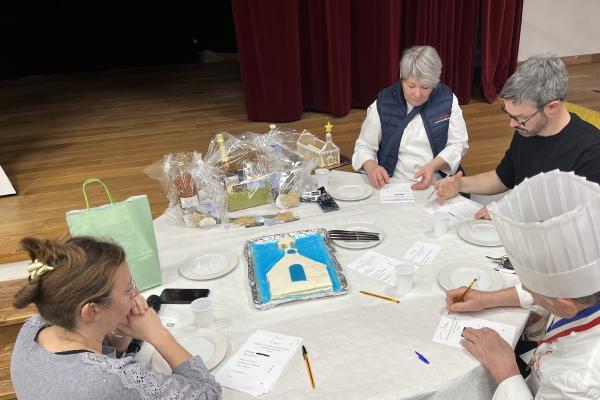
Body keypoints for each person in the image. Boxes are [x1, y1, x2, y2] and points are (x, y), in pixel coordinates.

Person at [446, 170, 600, 399]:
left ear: (565, 307)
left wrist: (506, 370)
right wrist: (488, 298)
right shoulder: (584, 289)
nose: (525, 289)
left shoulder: (579, 380)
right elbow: (549, 293)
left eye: (529, 287)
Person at [10, 235, 222, 400]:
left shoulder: (32, 328)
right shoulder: (108, 381)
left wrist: (120, 337)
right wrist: (159, 335)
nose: (136, 294)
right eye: (128, 287)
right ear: (91, 311)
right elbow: (208, 393)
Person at [435, 54, 600, 219]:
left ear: (552, 107)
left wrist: (509, 213)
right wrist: (460, 184)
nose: (512, 125)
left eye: (520, 118)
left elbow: (576, 222)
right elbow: (502, 178)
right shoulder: (527, 130)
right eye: (509, 114)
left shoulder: (592, 152)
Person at [352, 45, 468, 189]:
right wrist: (372, 167)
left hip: (435, 182)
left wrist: (433, 166)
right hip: (392, 182)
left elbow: (458, 144)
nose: (417, 94)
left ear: (435, 83)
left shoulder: (447, 100)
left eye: (425, 87)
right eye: (411, 85)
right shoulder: (384, 102)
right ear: (402, 78)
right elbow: (365, 146)